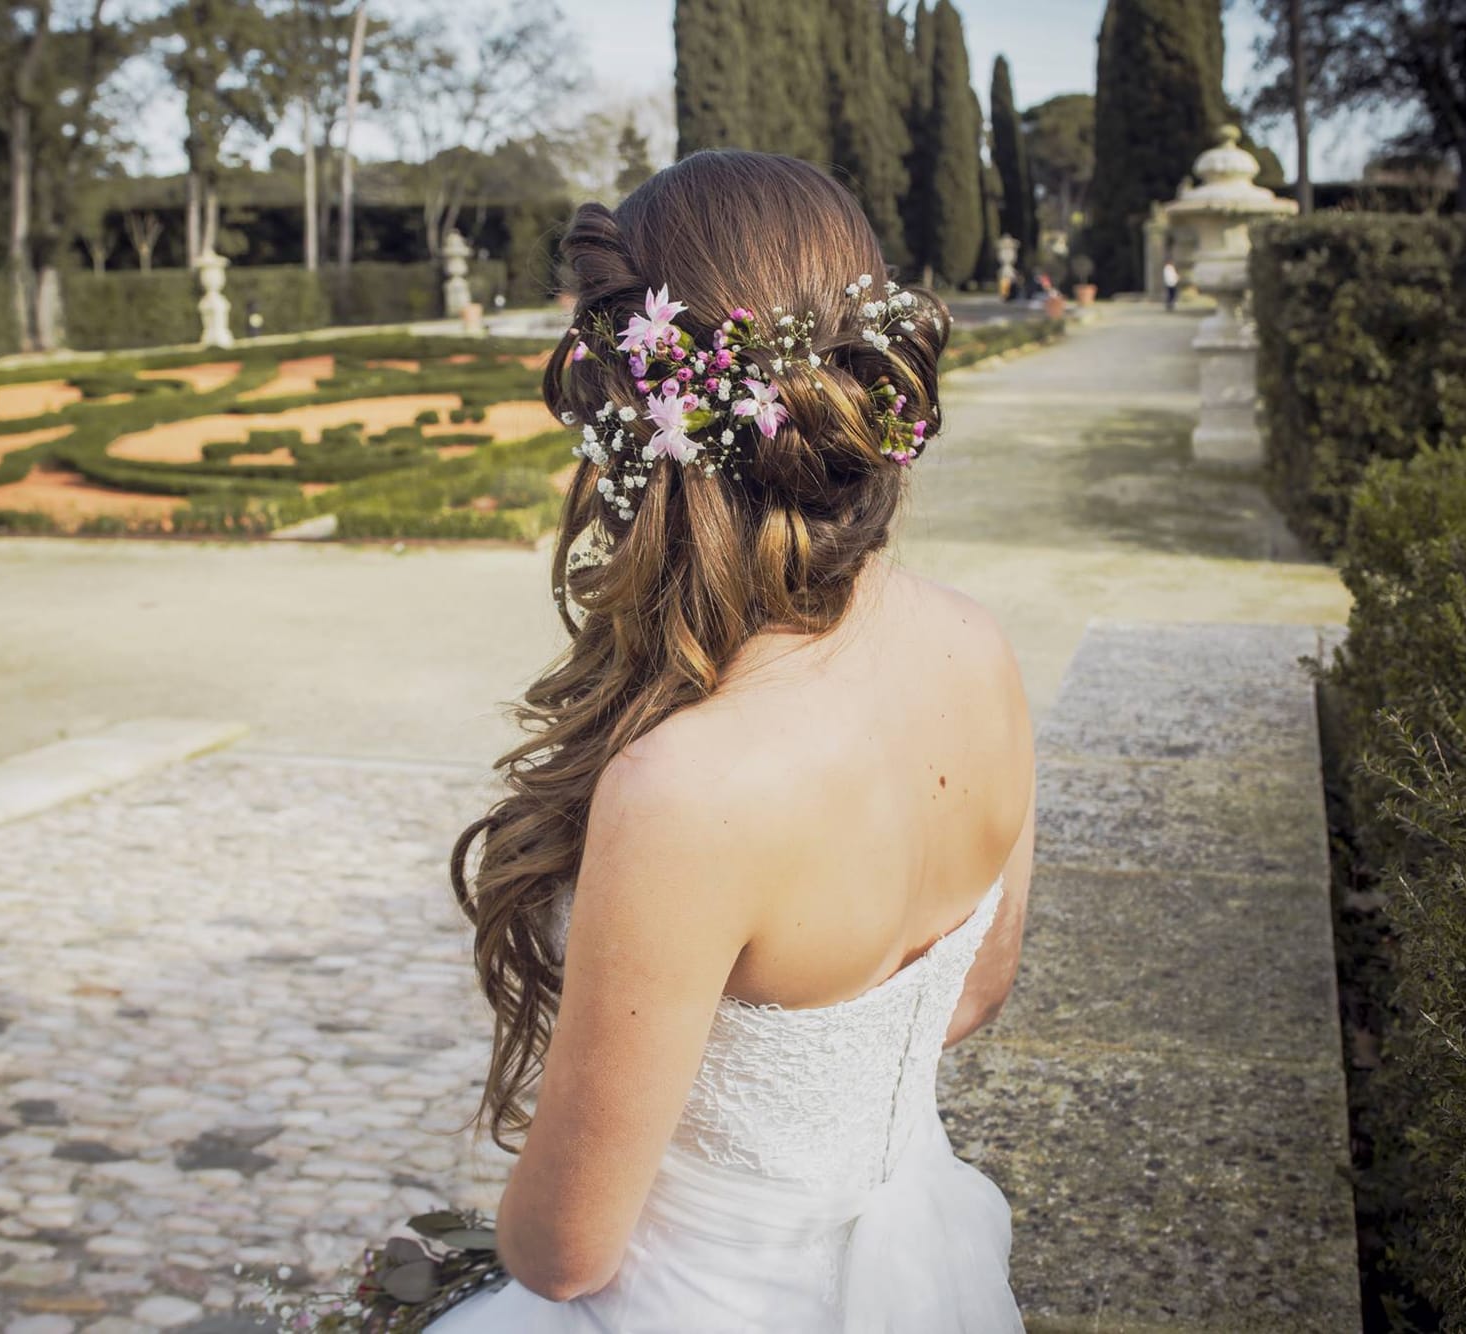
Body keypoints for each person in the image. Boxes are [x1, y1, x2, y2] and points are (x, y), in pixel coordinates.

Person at [436, 149, 1035, 1332]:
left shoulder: (685, 788)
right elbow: (974, 988)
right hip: (919, 1260)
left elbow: (562, 1250)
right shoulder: (980, 648)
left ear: (631, 407)